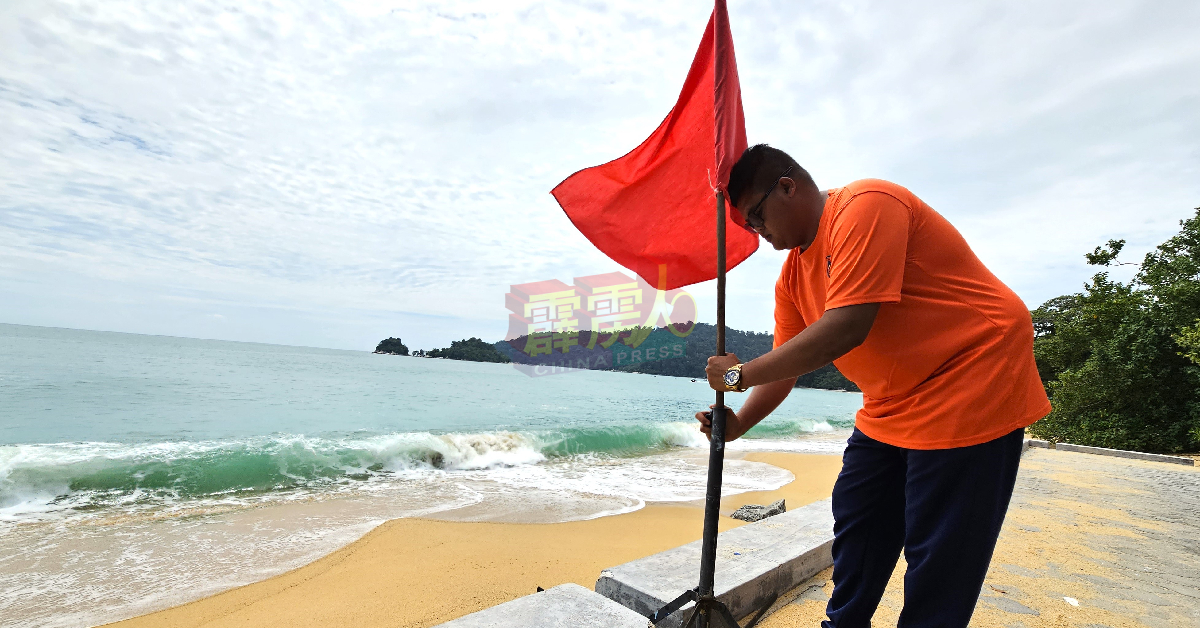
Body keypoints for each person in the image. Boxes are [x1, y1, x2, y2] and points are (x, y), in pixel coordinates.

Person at [695, 144, 1050, 628]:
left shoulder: (866, 205)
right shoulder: (792, 277)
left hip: (972, 378)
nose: (759, 234)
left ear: (787, 186)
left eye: (757, 216)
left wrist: (737, 376)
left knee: (940, 556)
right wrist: (738, 425)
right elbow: (788, 368)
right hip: (890, 403)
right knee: (859, 524)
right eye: (747, 227)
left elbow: (846, 328)